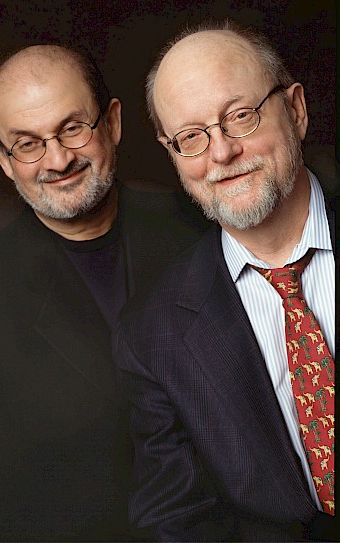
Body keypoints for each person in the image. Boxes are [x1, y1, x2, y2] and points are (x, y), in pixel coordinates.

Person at [0, 44, 208, 541]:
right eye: (28, 143)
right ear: (1, 157)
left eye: (73, 127)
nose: (57, 159)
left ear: (114, 122)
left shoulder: (202, 227)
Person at [114, 19, 337, 542]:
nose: (221, 153)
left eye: (240, 117)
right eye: (191, 137)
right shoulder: (153, 333)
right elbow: (175, 522)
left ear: (297, 110)